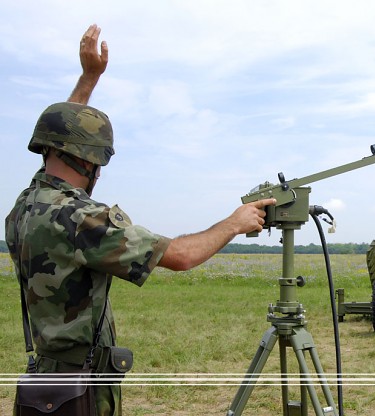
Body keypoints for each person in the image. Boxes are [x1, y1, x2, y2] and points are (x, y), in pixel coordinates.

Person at [5, 25, 276, 416]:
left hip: (46, 375)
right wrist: (234, 223)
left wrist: (88, 80)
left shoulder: (26, 206)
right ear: (89, 161)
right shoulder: (79, 218)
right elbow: (180, 256)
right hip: (82, 387)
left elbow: (59, 138)